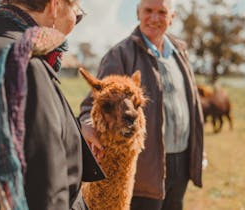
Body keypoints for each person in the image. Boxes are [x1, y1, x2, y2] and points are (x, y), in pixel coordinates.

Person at [79, 0, 204, 209]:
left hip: (180, 159)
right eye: (148, 11)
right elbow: (95, 101)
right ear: (138, 13)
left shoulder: (179, 53)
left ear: (171, 17)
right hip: (146, 167)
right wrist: (87, 124)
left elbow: (190, 104)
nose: (154, 18)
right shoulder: (121, 54)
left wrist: (199, 148)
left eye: (162, 12)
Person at [0, 0, 104, 209]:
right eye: (76, 13)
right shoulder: (25, 66)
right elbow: (47, 192)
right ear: (54, 7)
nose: (75, 22)